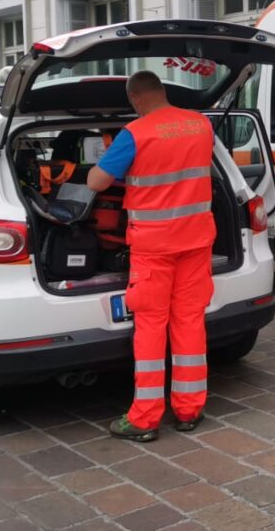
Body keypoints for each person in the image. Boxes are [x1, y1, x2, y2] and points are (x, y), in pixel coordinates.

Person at [88, 70, 215, 441]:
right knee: (189, 321)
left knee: (150, 326)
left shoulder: (135, 134)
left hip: (153, 248)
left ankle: (144, 418)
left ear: (135, 98)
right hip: (196, 241)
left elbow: (97, 182)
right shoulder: (201, 125)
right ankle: (189, 410)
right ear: (162, 91)